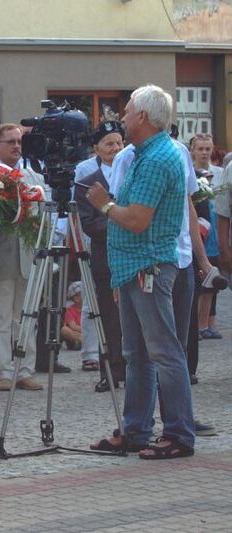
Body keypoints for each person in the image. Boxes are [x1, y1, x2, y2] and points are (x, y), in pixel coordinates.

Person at [87, 84, 195, 459]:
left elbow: (136, 219)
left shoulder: (156, 159)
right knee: (137, 354)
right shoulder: (145, 153)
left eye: (128, 110)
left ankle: (178, 434)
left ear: (143, 117)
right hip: (134, 267)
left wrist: (104, 205)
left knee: (164, 352)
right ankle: (136, 430)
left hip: (148, 266)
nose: (122, 117)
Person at [0, 123, 45, 392]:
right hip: (0, 256)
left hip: (28, 256)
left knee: (27, 316)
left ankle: (25, 370)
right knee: (1, 319)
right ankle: (3, 372)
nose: (16, 146)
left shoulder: (33, 177)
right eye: (10, 142)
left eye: (19, 141)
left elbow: (41, 219)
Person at [74, 121, 126, 392]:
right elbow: (90, 224)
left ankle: (137, 370)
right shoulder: (86, 182)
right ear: (97, 148)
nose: (115, 148)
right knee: (108, 316)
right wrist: (124, 221)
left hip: (134, 255)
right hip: (105, 256)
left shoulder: (132, 173)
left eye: (119, 143)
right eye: (109, 144)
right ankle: (112, 370)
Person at [189, 134, 222, 340]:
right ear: (192, 150)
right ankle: (197, 324)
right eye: (200, 148)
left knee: (213, 280)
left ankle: (209, 322)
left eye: (207, 148)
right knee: (199, 283)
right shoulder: (190, 173)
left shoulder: (219, 173)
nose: (204, 152)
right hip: (199, 231)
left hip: (215, 232)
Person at [60, 281, 83, 350]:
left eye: (79, 294)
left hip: (86, 333)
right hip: (74, 336)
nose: (77, 297)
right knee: (64, 329)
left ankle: (81, 341)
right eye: (75, 295)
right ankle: (79, 341)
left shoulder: (88, 309)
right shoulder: (69, 310)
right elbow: (73, 327)